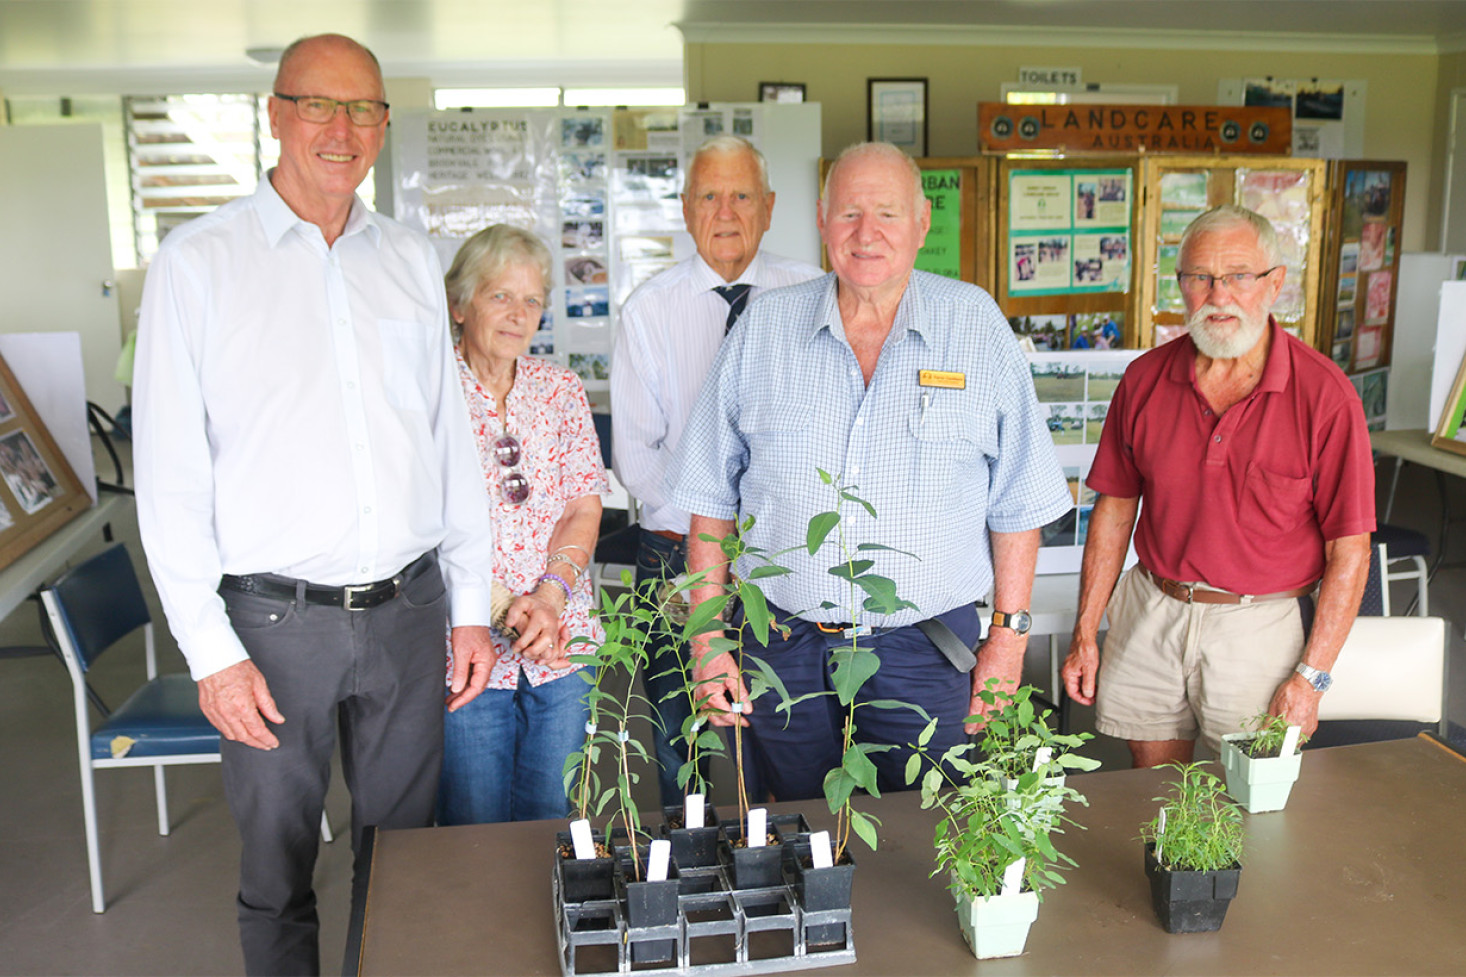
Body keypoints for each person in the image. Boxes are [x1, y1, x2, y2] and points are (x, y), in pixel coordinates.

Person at [133, 34, 498, 976]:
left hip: (410, 610)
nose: (343, 130)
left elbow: (446, 443)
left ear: (383, 124)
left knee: (403, 855)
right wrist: (211, 656)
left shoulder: (412, 259)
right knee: (276, 865)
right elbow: (169, 478)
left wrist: (468, 609)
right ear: (276, 115)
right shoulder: (197, 263)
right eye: (320, 106)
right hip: (270, 624)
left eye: (365, 109)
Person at [668, 142, 1072, 802]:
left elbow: (1018, 501)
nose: (867, 232)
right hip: (783, 646)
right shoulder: (764, 327)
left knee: (930, 838)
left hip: (925, 651)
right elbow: (709, 492)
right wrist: (708, 637)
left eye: (886, 212)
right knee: (800, 833)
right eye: (849, 212)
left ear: (922, 223)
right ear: (822, 221)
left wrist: (1008, 640)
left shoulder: (975, 325)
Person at [1061, 204, 1374, 768]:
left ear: (1275, 283)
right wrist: (1088, 628)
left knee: (1255, 802)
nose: (1218, 295)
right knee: (1152, 789)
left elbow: (1348, 549)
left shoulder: (1326, 396)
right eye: (1200, 278)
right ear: (1181, 286)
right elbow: (1113, 511)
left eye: (1238, 276)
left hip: (1261, 624)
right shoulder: (1144, 380)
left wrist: (1311, 677)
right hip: (1154, 607)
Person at [610, 135, 821, 805]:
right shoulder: (649, 309)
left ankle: (793, 858)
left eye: (741, 195)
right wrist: (704, 532)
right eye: (708, 195)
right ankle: (690, 859)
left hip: (784, 560)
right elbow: (636, 455)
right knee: (681, 733)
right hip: (677, 553)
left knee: (789, 721)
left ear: (769, 207)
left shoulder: (814, 293)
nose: (725, 211)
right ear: (685, 207)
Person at [437, 224, 608, 824]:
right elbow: (416, 521)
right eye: (499, 296)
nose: (519, 314)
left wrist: (550, 597)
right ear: (460, 303)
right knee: (473, 817)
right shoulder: (429, 393)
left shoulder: (559, 389)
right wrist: (506, 602)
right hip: (465, 639)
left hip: (560, 635)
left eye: (532, 299)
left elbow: (584, 505)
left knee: (553, 814)